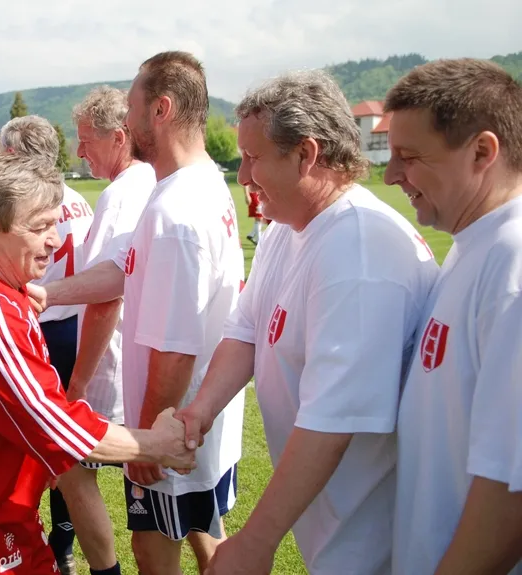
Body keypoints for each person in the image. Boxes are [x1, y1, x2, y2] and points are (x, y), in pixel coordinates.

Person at [175, 70, 438, 574]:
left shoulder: (357, 250)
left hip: (378, 544)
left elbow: (331, 424)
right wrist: (199, 411)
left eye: (253, 157)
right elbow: (247, 330)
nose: (243, 176)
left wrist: (256, 541)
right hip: (336, 530)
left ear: (306, 154)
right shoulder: (287, 227)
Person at [0, 152, 197, 575]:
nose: (56, 240)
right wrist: (157, 444)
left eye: (54, 224)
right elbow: (54, 425)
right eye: (39, 227)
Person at [28, 51, 246, 574]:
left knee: (152, 552)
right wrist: (46, 294)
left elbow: (174, 348)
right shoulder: (195, 184)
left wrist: (148, 439)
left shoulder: (175, 211)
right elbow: (125, 271)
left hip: (173, 423)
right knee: (201, 533)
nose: (125, 121)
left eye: (132, 107)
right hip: (195, 421)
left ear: (161, 109)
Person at [385, 59, 522, 575]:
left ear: (482, 152)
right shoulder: (475, 245)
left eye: (409, 157)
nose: (391, 175)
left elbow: (510, 487)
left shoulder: (512, 264)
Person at [57, 86, 157, 575]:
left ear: (119, 137)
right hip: (137, 357)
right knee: (167, 499)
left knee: (72, 465)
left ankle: (103, 569)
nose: (79, 151)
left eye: (86, 140)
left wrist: (77, 384)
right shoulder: (151, 181)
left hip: (112, 365)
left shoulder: (120, 194)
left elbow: (105, 294)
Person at [0, 114, 94, 573]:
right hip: (75, 328)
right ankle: (63, 543)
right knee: (63, 444)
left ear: (13, 154)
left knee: (29, 436)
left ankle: (26, 535)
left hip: (37, 325)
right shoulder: (79, 199)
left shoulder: (22, 205)